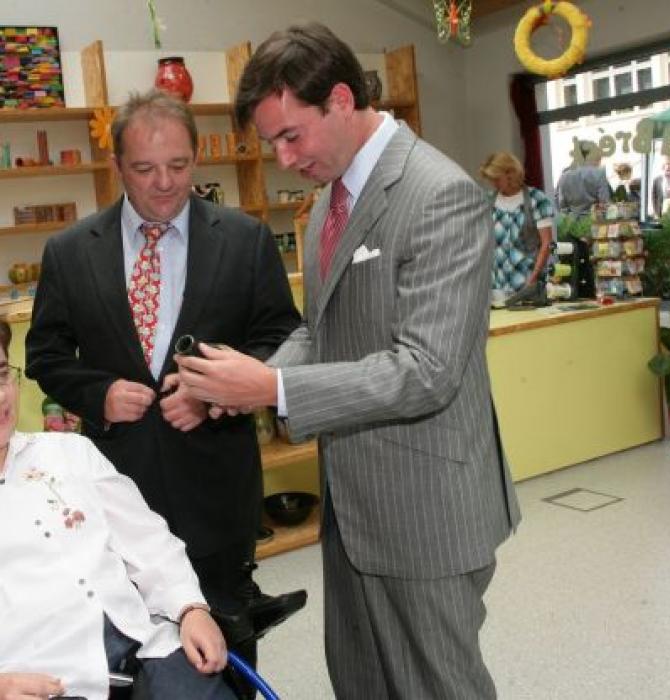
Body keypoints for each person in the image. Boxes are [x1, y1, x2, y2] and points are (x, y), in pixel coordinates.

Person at [175, 22, 520, 700]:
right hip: (355, 508)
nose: (282, 158)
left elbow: (427, 371)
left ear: (339, 99)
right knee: (362, 681)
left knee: (434, 686)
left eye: (290, 136)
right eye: (270, 143)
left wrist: (273, 386)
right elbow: (323, 332)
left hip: (427, 512)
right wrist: (243, 383)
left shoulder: (437, 194)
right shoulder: (327, 201)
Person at [25, 90, 300, 689]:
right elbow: (43, 354)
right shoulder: (70, 252)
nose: (165, 183)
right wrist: (97, 394)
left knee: (227, 640)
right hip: (116, 489)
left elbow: (284, 337)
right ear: (118, 166)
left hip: (217, 486)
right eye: (146, 169)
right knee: (131, 653)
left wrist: (217, 389)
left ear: (196, 159)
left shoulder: (244, 239)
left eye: (178, 165)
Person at [0, 320, 235, 700]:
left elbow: (147, 540)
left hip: (146, 650)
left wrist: (190, 607)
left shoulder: (69, 453)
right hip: (47, 683)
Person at [479, 151, 553, 293]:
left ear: (511, 173)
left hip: (529, 283)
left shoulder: (536, 199)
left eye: (496, 178)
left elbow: (547, 243)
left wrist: (533, 278)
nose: (493, 183)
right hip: (497, 286)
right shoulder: (488, 201)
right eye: (491, 179)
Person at [555, 140, 611, 218]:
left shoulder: (563, 176)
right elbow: (605, 204)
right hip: (594, 222)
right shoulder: (599, 173)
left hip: (572, 224)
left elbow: (561, 205)